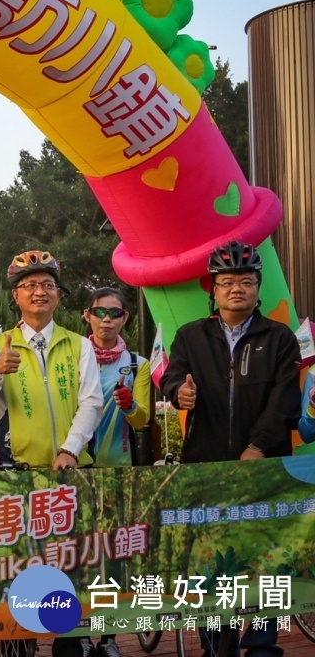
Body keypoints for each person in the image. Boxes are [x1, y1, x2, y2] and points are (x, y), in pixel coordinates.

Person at [163, 241, 299, 657]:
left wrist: (258, 445)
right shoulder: (190, 336)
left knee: (269, 560)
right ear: (214, 290)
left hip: (265, 469)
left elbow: (285, 401)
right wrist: (179, 393)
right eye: (226, 282)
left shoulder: (279, 338)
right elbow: (173, 379)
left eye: (245, 281)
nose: (236, 288)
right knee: (209, 562)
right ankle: (213, 644)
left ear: (258, 287)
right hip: (207, 467)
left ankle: (261, 644)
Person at [0, 250, 102, 657]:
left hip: (69, 474)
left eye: (47, 284)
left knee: (71, 569)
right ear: (15, 295)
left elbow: (92, 402)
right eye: (29, 285)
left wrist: (70, 448)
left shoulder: (79, 344)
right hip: (18, 476)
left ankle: (70, 647)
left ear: (59, 294)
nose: (39, 292)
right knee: (21, 569)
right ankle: (19, 640)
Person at [83, 287, 151, 468]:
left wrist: (130, 406)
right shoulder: (74, 359)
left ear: (125, 317)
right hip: (78, 463)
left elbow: (141, 421)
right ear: (87, 315)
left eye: (115, 313)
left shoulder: (138, 364)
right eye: (99, 312)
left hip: (121, 465)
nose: (106, 319)